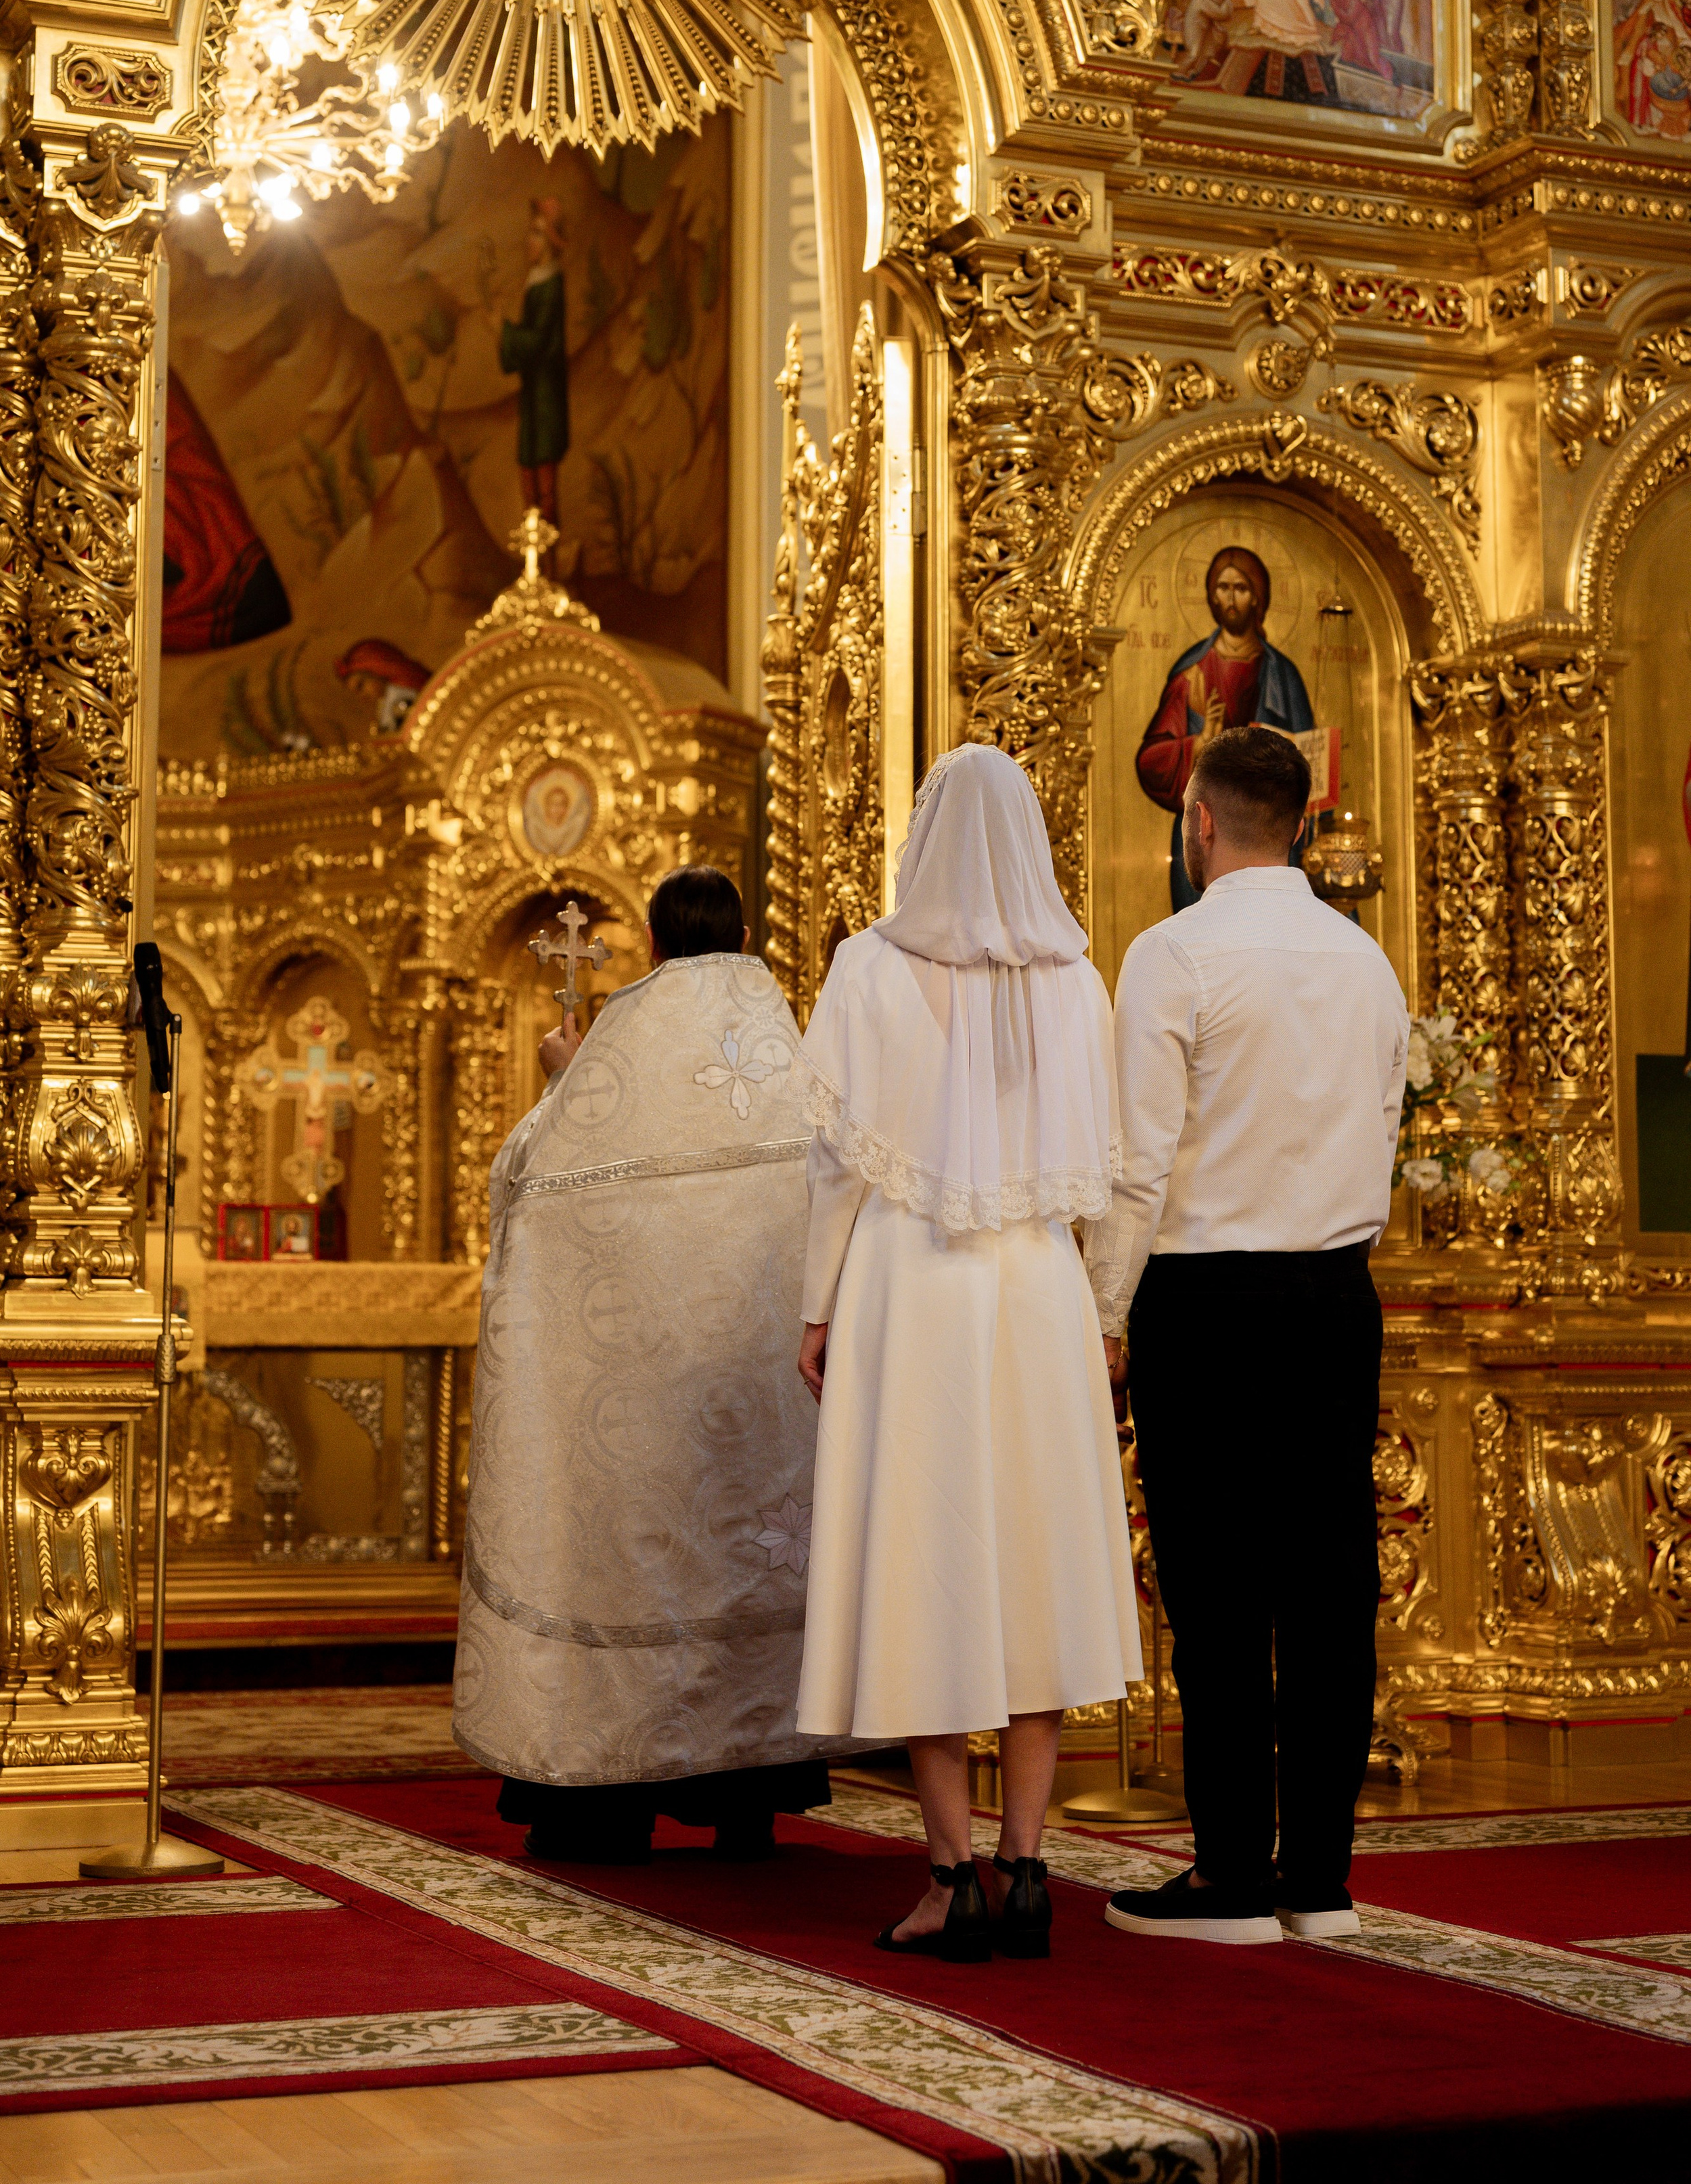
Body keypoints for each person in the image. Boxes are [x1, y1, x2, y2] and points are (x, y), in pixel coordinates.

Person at [794, 746, 1142, 1964]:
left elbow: (832, 1154)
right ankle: (1029, 1864)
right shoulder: (1075, 979)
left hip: (910, 1277)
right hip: (1036, 1280)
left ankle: (952, 1875)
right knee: (1031, 1561)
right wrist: (1104, 1305)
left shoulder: (869, 966)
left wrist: (815, 1302)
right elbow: (1108, 1161)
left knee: (927, 1557)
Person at [453, 864, 852, 1863]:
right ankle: (748, 1797)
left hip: (636, 1402)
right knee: (749, 1558)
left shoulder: (615, 1065)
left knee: (637, 1566)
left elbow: (525, 1187)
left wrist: (563, 1077)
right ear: (744, 931)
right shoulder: (787, 1055)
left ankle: (606, 1807)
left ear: (661, 942)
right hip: (760, 1386)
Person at [1100, 725, 1408, 1947]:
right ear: (1300, 821)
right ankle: (1320, 1878)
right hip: (1335, 1292)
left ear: (1202, 822)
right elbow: (1381, 1123)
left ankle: (1230, 1871)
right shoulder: (1366, 961)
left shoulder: (1172, 954)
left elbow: (1136, 1164)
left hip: (1205, 1299)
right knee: (1333, 1581)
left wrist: (1103, 1313)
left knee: (1217, 1584)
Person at [1136, 545, 1314, 910]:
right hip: (1208, 834)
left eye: (1242, 588)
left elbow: (1311, 757)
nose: (1231, 598)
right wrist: (1199, 743)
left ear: (1258, 598)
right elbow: (1153, 759)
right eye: (1223, 587)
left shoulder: (1283, 673)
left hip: (1273, 833)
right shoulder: (1192, 674)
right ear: (1210, 596)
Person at [499, 197, 570, 532]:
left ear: (551, 243)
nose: (530, 241)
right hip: (535, 396)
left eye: (538, 234)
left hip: (546, 399)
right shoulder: (538, 283)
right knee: (528, 475)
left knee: (544, 483)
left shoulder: (551, 286)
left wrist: (503, 331)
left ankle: (549, 566)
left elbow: (538, 340)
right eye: (531, 232)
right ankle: (535, 564)